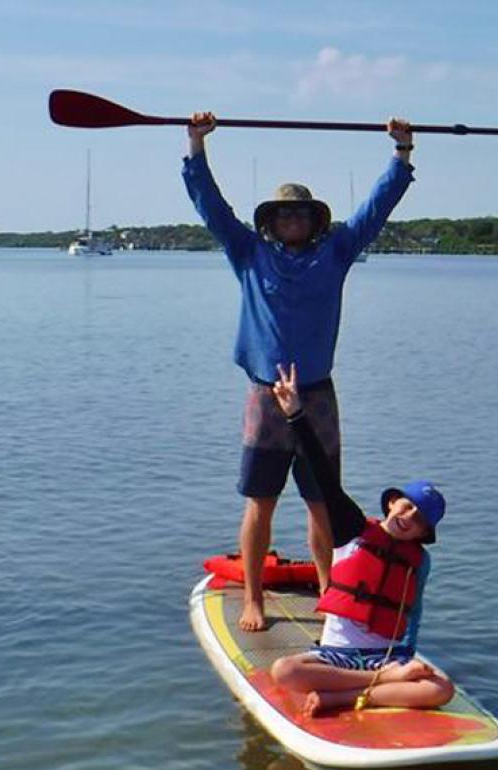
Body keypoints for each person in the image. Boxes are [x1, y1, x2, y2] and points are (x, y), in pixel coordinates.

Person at [183, 111, 416, 631]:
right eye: (284, 215)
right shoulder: (248, 254)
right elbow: (210, 207)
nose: (292, 221)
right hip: (266, 398)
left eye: (301, 215)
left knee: (322, 504)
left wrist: (401, 155)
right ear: (271, 223)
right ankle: (253, 598)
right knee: (259, 503)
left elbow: (374, 212)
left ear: (314, 221)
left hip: (316, 397)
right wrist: (196, 146)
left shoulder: (335, 253)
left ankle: (332, 596)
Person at [265, 363, 454, 717]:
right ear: (392, 503)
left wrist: (406, 657)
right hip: (338, 656)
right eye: (407, 506)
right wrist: (295, 415)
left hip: (388, 655)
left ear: (423, 534)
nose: (408, 517)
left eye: (418, 519)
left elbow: (414, 612)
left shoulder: (419, 561)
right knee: (284, 670)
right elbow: (323, 472)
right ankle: (382, 685)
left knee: (441, 689)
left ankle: (343, 697)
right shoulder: (350, 527)